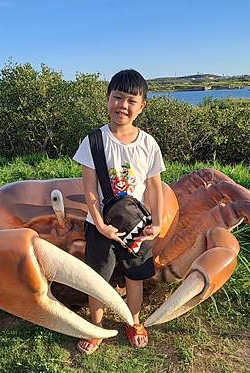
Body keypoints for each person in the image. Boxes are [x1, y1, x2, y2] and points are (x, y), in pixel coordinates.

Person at [73, 69, 166, 354]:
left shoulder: (148, 143)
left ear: (142, 106)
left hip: (137, 224)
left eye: (130, 100)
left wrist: (158, 222)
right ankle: (97, 327)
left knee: (135, 276)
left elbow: (154, 187)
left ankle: (134, 321)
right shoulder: (94, 141)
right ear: (107, 98)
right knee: (97, 279)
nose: (122, 105)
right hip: (101, 224)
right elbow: (89, 188)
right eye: (117, 97)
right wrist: (100, 224)